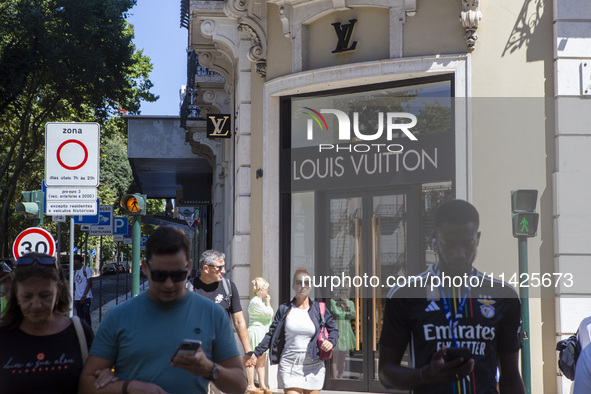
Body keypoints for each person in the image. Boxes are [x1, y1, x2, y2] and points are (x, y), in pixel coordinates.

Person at [378, 199, 525, 394]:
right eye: (449, 244)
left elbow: (511, 377)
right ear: (435, 239)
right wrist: (424, 375)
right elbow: (386, 374)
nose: (459, 254)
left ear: (478, 238)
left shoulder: (504, 296)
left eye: (467, 244)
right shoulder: (405, 294)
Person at [79, 226, 247, 394]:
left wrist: (210, 369)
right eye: (159, 275)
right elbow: (86, 385)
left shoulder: (213, 314)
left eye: (177, 275)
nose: (168, 284)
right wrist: (128, 387)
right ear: (145, 268)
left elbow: (239, 385)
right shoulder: (118, 317)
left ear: (188, 268)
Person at [0, 252, 112, 393]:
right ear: (16, 294)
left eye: (45, 295)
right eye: (27, 296)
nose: (36, 305)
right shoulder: (4, 337)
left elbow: (95, 380)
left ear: (58, 291)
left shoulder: (79, 333)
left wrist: (106, 376)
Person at [245, 268, 339, 394]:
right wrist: (256, 353)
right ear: (293, 286)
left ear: (311, 285)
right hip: (289, 364)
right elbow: (271, 333)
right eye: (299, 282)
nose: (303, 286)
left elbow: (333, 330)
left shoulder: (318, 309)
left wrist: (331, 342)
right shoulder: (284, 309)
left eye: (306, 282)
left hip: (313, 364)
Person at [193, 249, 253, 359]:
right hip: (196, 353)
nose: (224, 271)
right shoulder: (189, 289)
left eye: (224, 267)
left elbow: (239, 321)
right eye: (219, 267)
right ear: (206, 268)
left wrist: (248, 351)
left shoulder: (229, 287)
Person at [246, 277, 274, 394]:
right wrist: (268, 303)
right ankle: (250, 385)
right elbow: (269, 314)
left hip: (261, 332)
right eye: (267, 289)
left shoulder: (258, 301)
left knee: (262, 361)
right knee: (252, 359)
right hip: (255, 332)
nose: (268, 291)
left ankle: (262, 385)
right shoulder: (255, 302)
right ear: (261, 289)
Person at [329, 289, 355, 379]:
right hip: (337, 330)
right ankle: (334, 378)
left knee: (342, 359)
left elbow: (352, 315)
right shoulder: (333, 302)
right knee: (334, 358)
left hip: (346, 332)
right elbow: (336, 314)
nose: (345, 293)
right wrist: (340, 305)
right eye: (343, 291)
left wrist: (347, 305)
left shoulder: (350, 303)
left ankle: (341, 378)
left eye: (347, 291)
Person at [73, 254, 93, 327]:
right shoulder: (74, 272)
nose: (73, 263)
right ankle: (82, 330)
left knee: (86, 313)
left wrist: (84, 296)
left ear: (79, 261)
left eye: (74, 261)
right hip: (77, 298)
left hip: (86, 297)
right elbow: (74, 285)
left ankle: (88, 329)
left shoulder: (86, 269)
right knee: (80, 317)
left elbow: (89, 283)